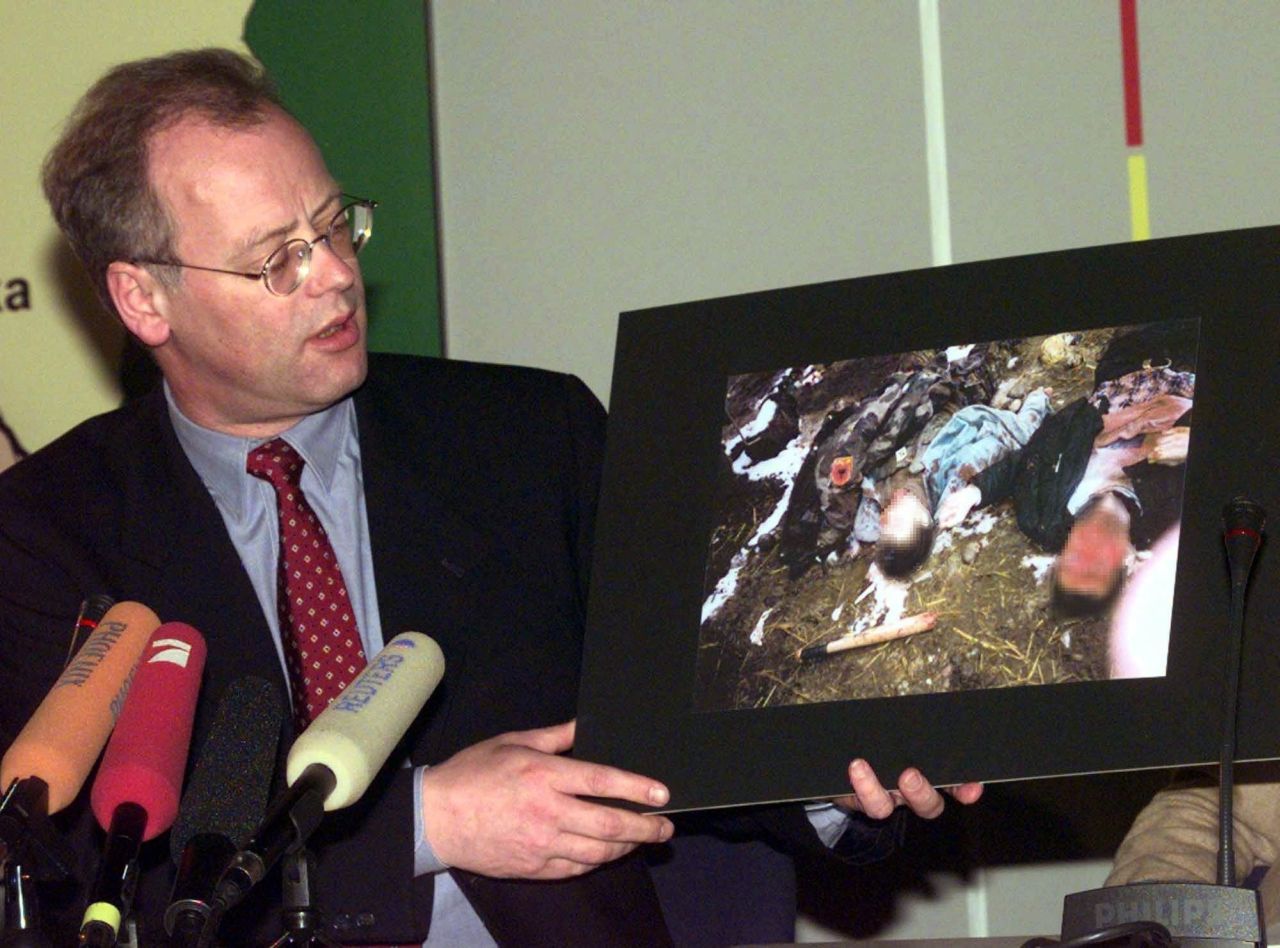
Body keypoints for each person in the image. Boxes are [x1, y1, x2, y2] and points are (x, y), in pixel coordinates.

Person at [0, 49, 981, 946]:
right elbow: (76, 874)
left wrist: (836, 778)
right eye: (275, 260)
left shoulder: (527, 438)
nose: (338, 276)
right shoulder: (49, 532)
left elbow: (695, 701)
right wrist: (427, 822)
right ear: (143, 299)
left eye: (335, 225)